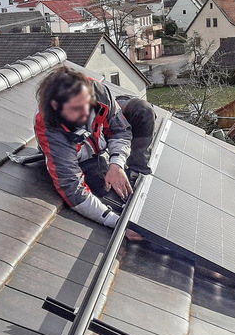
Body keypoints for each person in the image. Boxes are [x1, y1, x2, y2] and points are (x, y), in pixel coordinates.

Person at [34, 67, 154, 236]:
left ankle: (135, 175)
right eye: (76, 110)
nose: (86, 113)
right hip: (81, 158)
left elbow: (120, 130)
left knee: (142, 110)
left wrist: (117, 164)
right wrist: (116, 223)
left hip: (100, 144)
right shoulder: (50, 132)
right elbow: (72, 188)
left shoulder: (99, 92)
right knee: (101, 188)